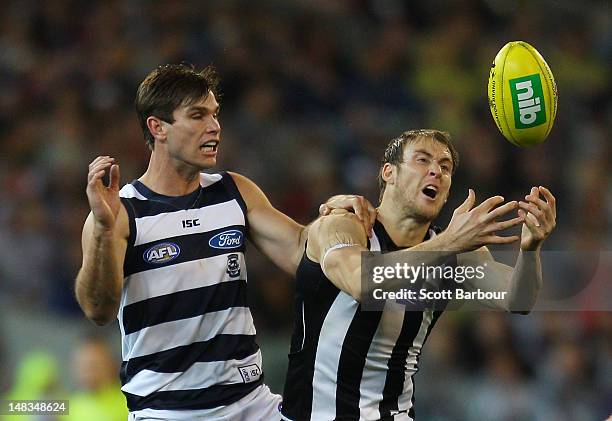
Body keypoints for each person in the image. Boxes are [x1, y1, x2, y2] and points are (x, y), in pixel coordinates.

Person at [75, 63, 376, 421]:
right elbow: (98, 310)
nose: (215, 126)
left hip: (251, 405)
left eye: (215, 115)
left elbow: (302, 249)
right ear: (158, 128)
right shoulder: (120, 212)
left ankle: (443, 280)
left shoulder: (233, 191)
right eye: (198, 115)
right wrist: (104, 232)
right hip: (166, 412)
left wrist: (333, 216)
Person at [280, 129, 557, 420]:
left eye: (445, 167)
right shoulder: (342, 225)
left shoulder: (456, 255)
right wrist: (449, 243)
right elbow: (360, 282)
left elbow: (518, 300)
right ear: (389, 172)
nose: (436, 171)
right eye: (423, 160)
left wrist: (530, 249)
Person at [67, 336, 128, 421]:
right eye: (83, 365)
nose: (88, 372)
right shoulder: (68, 405)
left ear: (112, 365)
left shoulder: (130, 401)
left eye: (94, 365)